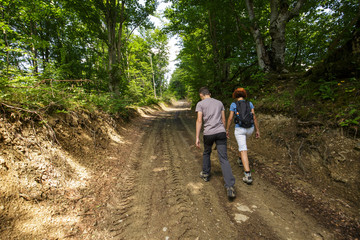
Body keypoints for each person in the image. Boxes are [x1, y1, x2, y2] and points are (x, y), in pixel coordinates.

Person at [195, 87, 236, 198]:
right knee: (223, 158)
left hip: (208, 133)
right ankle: (230, 186)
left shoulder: (200, 104)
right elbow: (223, 119)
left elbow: (199, 120)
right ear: (210, 94)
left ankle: (206, 174)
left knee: (206, 152)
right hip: (220, 132)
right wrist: (224, 132)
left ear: (201, 95)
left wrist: (197, 137)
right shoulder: (219, 103)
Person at [226, 88, 260, 185]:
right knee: (242, 145)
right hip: (250, 129)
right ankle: (240, 159)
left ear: (235, 96)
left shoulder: (234, 104)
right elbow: (254, 117)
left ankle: (247, 174)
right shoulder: (250, 103)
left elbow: (230, 118)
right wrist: (257, 130)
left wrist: (227, 130)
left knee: (243, 148)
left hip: (239, 129)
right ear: (244, 95)